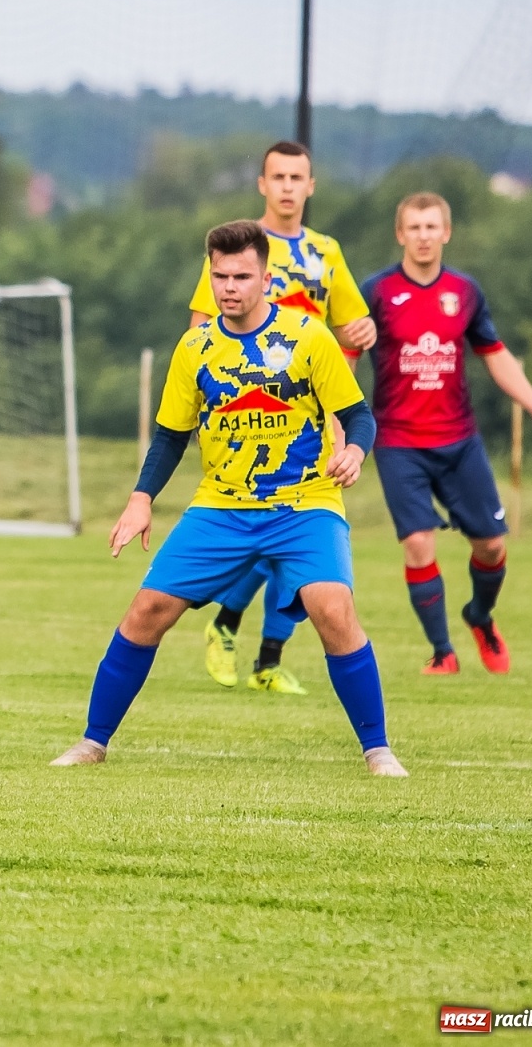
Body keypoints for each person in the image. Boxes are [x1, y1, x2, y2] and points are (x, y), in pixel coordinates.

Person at [52, 220, 407, 778]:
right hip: (221, 506)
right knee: (146, 611)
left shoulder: (308, 337)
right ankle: (92, 742)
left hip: (304, 504)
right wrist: (141, 499)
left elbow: (360, 415)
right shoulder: (195, 348)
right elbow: (171, 435)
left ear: (266, 276)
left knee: (332, 607)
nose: (230, 287)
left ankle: (378, 750)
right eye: (220, 276)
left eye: (242, 275)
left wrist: (357, 452)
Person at [187, 141, 377, 696]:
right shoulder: (240, 250)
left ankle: (263, 657)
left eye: (298, 176)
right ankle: (229, 628)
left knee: (296, 541)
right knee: (267, 531)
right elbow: (201, 329)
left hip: (314, 417)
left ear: (311, 186)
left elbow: (351, 330)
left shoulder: (326, 252)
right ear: (262, 185)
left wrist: (359, 333)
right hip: (251, 411)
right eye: (279, 176)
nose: (289, 186)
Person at [360, 192, 532, 674]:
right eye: (414, 227)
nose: (423, 236)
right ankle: (443, 653)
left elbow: (494, 354)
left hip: (458, 440)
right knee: (418, 542)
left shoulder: (466, 292)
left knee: (492, 545)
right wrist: (336, 422)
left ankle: (479, 615)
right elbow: (345, 355)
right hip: (398, 442)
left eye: (432, 227)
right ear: (400, 234)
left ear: (446, 232)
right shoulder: (375, 292)